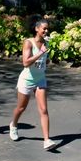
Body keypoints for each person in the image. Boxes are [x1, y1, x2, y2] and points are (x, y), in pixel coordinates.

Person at [8, 18, 57, 150]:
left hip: (40, 79)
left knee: (44, 110)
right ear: (37, 29)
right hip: (26, 80)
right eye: (44, 29)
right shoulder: (28, 43)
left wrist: (46, 58)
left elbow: (45, 61)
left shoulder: (47, 43)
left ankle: (47, 140)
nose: (46, 31)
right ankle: (13, 125)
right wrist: (41, 53)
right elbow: (25, 62)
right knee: (21, 108)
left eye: (47, 29)